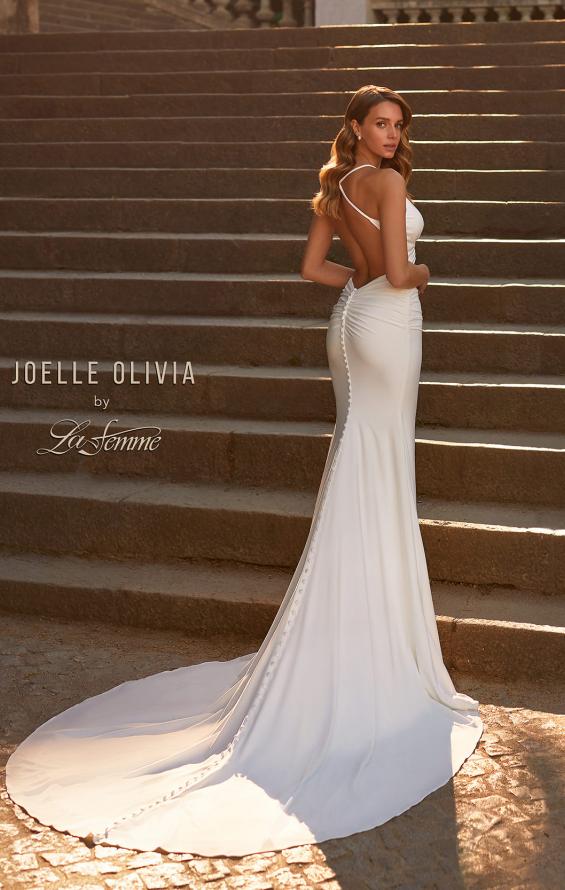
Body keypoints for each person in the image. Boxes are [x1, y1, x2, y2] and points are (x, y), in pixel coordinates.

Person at [5, 84, 483, 858]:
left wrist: (361, 284)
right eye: (381, 123)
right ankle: (367, 637)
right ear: (356, 128)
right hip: (389, 326)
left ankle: (353, 623)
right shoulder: (389, 184)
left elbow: (312, 270)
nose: (392, 135)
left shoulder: (337, 187)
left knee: (360, 456)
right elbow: (398, 273)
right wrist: (423, 272)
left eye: (399, 125)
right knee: (378, 462)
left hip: (350, 327)